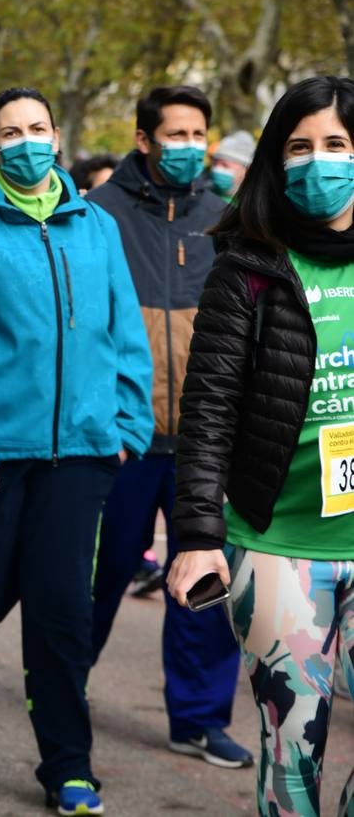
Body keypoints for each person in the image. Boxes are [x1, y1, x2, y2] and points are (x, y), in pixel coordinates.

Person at [0, 87, 153, 817]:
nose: (25, 142)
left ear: (57, 136)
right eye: (9, 133)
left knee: (59, 609)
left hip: (81, 451)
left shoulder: (96, 226)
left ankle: (68, 766)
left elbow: (124, 329)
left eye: (37, 128)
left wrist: (129, 421)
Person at [168, 75, 354, 817]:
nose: (318, 162)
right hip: (279, 548)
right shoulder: (246, 266)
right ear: (277, 163)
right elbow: (208, 407)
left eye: (337, 145)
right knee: (294, 756)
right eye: (300, 147)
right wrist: (198, 535)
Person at [84, 85, 253, 771]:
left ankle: (200, 719)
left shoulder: (230, 219)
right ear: (145, 139)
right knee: (97, 575)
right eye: (174, 134)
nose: (188, 147)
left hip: (205, 445)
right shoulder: (98, 214)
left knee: (206, 580)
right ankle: (63, 684)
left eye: (198, 134)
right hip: (121, 437)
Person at [210, 130, 256, 201]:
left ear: (246, 170)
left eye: (225, 165)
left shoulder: (251, 204)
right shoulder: (201, 194)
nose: (217, 169)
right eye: (215, 164)